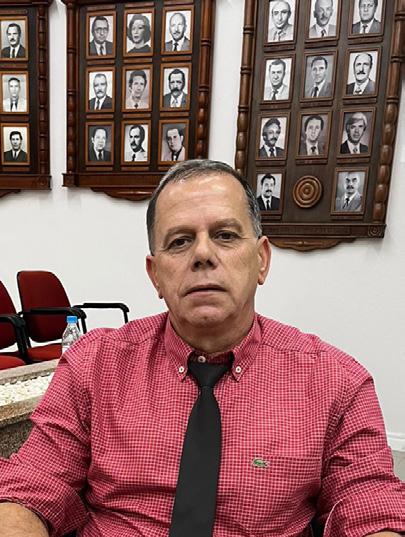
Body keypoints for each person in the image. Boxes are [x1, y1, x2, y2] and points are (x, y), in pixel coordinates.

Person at [0, 159, 404, 537]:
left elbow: (369, 505)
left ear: (262, 260)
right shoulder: (94, 365)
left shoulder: (336, 382)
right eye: (179, 241)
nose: (203, 255)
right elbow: (32, 487)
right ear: (155, 275)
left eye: (225, 236)